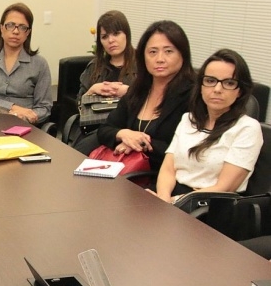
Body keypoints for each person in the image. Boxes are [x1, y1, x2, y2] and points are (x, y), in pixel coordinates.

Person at [148, 49, 262, 202]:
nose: (217, 89)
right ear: (201, 85)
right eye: (210, 81)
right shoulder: (189, 119)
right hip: (171, 196)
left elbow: (225, 187)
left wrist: (174, 201)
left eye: (229, 83)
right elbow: (168, 169)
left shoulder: (247, 128)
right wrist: (163, 198)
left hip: (207, 205)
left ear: (240, 91)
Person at [91, 20, 196, 170]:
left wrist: (139, 143)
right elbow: (105, 129)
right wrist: (123, 134)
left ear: (183, 54)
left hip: (164, 177)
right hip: (125, 171)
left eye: (168, 51)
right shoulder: (139, 89)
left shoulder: (193, 95)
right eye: (153, 52)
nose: (160, 59)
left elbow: (186, 151)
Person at [0, 2, 52, 123]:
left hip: (24, 125)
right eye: (10, 25)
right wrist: (12, 108)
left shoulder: (39, 64)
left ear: (28, 32)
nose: (16, 31)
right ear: (1, 28)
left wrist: (25, 117)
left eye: (22, 27)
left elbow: (44, 107)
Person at [78, 10, 136, 102]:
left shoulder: (143, 65)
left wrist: (130, 92)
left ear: (127, 34)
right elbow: (79, 105)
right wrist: (92, 90)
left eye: (116, 34)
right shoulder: (94, 67)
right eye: (104, 37)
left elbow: (155, 101)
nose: (110, 40)